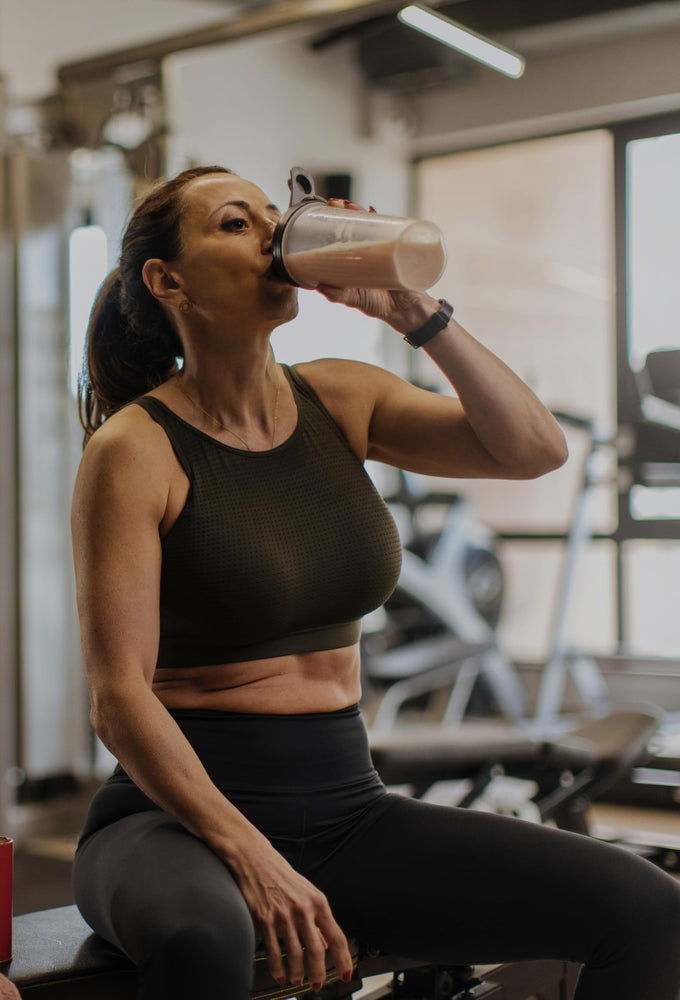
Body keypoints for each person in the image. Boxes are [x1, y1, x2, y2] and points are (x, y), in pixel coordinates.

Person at [69, 165, 680, 1000]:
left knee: (647, 909)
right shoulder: (133, 450)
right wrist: (252, 856)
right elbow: (117, 697)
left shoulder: (340, 396)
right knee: (205, 936)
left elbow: (534, 449)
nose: (273, 237)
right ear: (167, 281)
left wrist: (414, 313)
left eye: (274, 217)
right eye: (236, 224)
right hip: (173, 819)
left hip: (347, 809)